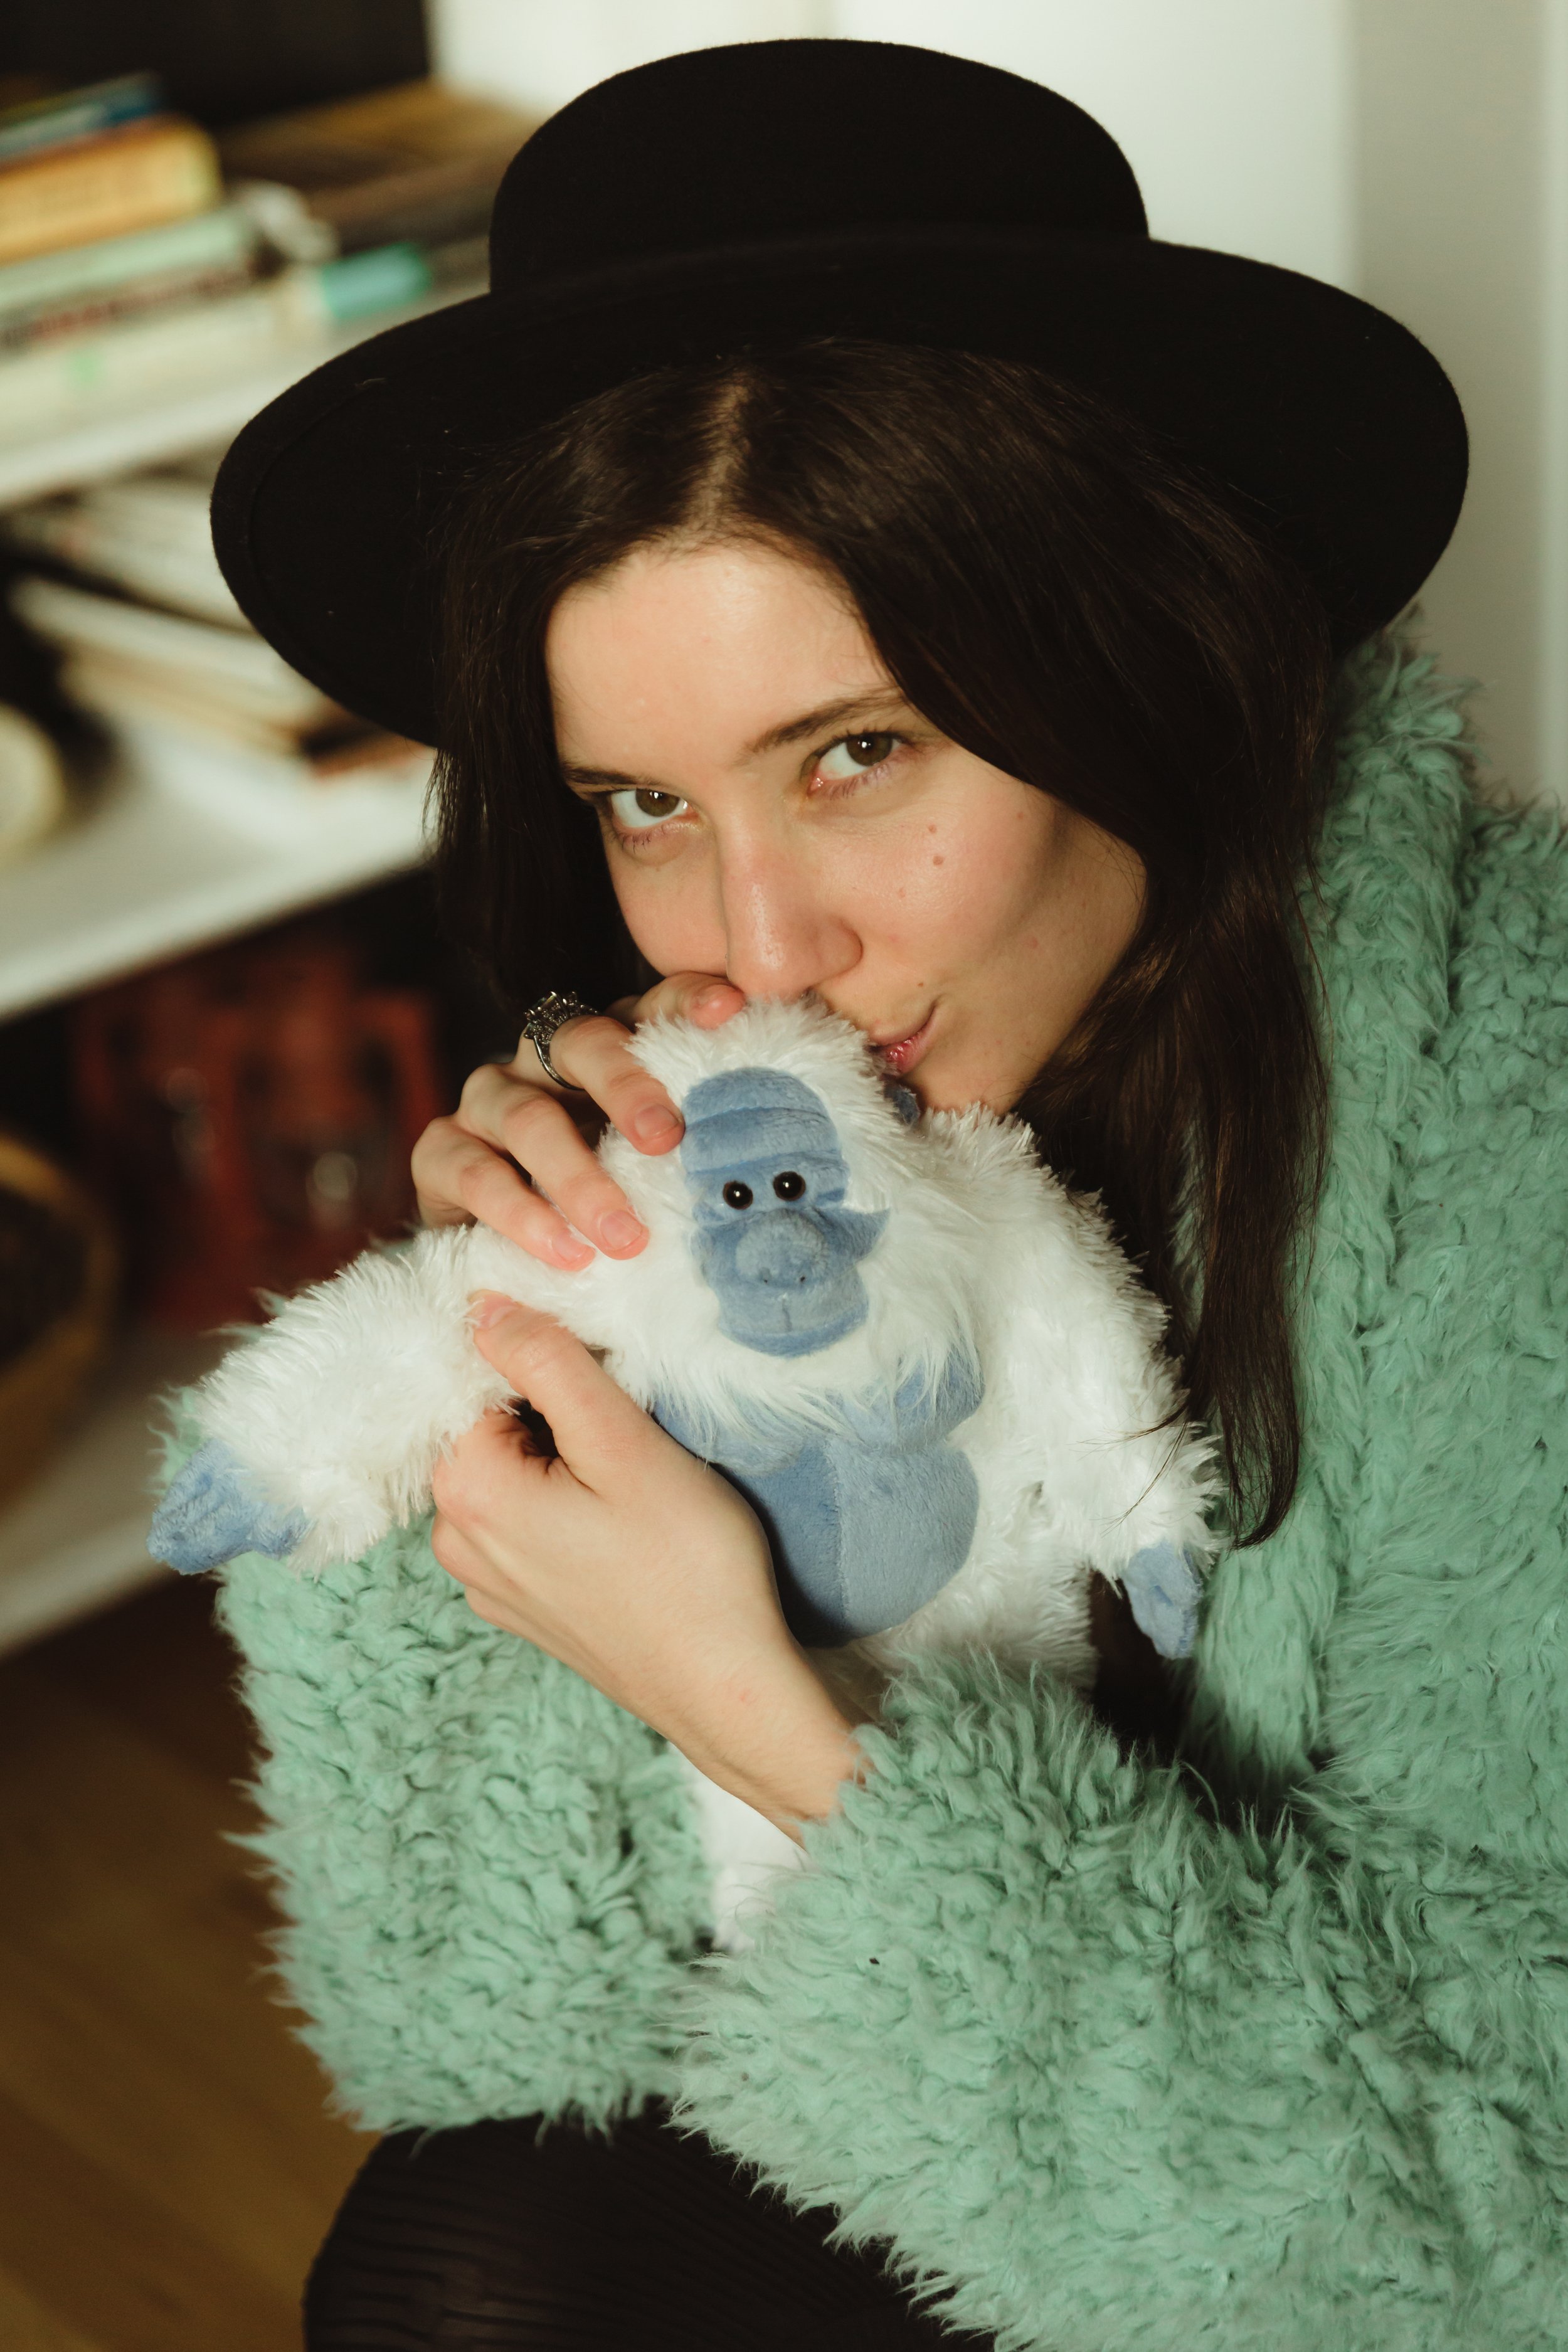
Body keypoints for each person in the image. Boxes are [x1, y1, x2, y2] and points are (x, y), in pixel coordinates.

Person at [201, 39, 1568, 2352]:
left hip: (1303, 2197)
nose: (758, 940)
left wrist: (771, 1716)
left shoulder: (1505, 1146)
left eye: (857, 755)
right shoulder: (735, 1114)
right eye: (643, 801)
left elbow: (1493, 2227)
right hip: (964, 2049)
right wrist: (533, 1349)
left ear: (1135, 652)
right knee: (453, 2263)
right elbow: (482, 1994)